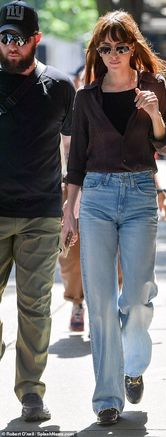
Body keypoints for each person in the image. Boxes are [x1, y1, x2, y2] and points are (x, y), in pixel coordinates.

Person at [62, 10, 166, 426]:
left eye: (121, 46)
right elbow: (76, 161)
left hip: (139, 195)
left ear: (134, 48)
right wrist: (69, 212)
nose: (113, 54)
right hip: (94, 197)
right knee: (100, 304)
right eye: (105, 48)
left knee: (136, 296)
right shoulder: (86, 96)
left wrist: (153, 114)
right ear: (97, 52)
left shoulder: (153, 87)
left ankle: (133, 364)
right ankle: (107, 398)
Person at [0, 0, 75, 422]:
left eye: (19, 39)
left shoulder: (60, 87)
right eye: (4, 38)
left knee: (34, 306)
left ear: (36, 40)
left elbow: (73, 148)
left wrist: (71, 208)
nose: (11, 46)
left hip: (41, 214)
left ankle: (31, 391)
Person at [59, 65, 85, 332]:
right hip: (68, 187)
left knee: (116, 255)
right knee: (71, 255)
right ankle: (77, 303)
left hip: (103, 186)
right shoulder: (65, 106)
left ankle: (112, 305)